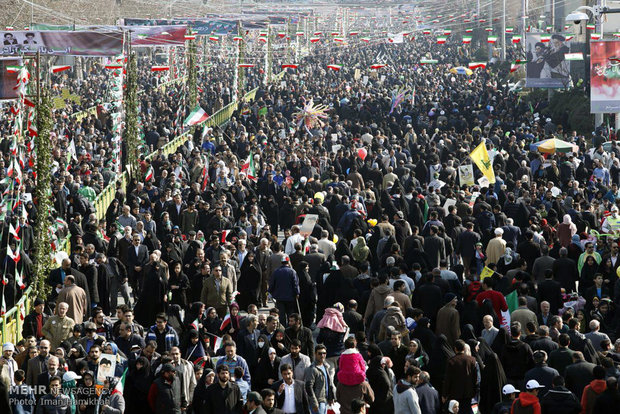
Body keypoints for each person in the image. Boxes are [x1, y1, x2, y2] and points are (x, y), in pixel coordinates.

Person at [443, 340, 478, 414]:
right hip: (469, 393)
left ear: (455, 349)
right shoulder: (472, 360)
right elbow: (475, 378)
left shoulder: (451, 361)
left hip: (455, 393)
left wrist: (445, 394)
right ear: (464, 349)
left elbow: (448, 379)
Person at [269, 256, 300, 325]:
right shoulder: (292, 271)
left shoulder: (276, 271)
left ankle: (283, 329)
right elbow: (295, 284)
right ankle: (290, 327)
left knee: (281, 315)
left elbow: (272, 283)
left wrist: (270, 291)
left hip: (279, 297)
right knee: (290, 314)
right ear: (288, 262)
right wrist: (297, 293)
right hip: (290, 297)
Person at [305, 345, 335, 414]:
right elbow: (309, 387)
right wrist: (314, 403)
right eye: (320, 353)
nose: (322, 355)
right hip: (318, 402)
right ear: (315, 354)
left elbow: (329, 383)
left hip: (325, 401)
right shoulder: (312, 369)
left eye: (324, 353)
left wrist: (331, 397)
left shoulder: (325, 366)